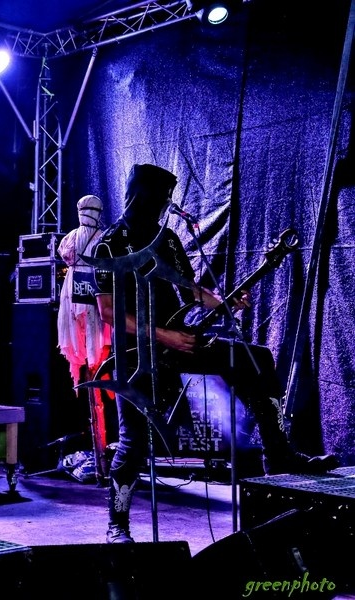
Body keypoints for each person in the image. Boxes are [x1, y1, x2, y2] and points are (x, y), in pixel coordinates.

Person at [93, 163, 338, 544]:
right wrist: (164, 336)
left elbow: (192, 291)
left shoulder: (167, 239)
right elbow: (108, 312)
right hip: (136, 353)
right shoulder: (109, 245)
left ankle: (279, 454)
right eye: (161, 198)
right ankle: (118, 525)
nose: (166, 205)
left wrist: (223, 302)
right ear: (142, 196)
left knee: (256, 358)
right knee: (133, 441)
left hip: (180, 339)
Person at [56, 194, 112, 484]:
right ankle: (99, 453)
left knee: (95, 361)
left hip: (89, 301)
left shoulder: (75, 240)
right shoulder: (99, 239)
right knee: (91, 361)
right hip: (85, 300)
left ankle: (102, 452)